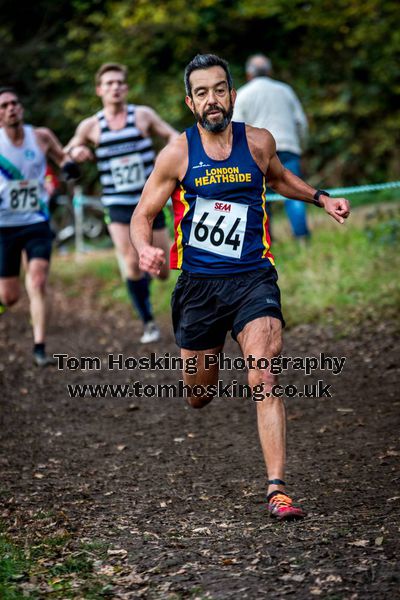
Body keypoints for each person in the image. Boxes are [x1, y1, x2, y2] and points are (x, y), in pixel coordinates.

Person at [130, 54, 350, 520]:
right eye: (202, 92)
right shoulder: (177, 152)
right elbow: (142, 215)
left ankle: (277, 489)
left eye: (220, 89)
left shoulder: (258, 142)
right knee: (200, 394)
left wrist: (321, 198)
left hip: (254, 279)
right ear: (191, 102)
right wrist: (144, 249)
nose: (213, 99)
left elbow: (280, 178)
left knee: (263, 374)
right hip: (199, 289)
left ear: (233, 93)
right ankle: (199, 377)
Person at [65, 63, 179, 344]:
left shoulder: (142, 116)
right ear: (99, 90)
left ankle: (146, 278)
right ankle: (148, 322)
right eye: (109, 83)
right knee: (131, 263)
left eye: (119, 82)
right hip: (117, 206)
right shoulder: (92, 126)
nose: (115, 87)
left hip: (149, 199)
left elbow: (173, 135)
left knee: (163, 271)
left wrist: (167, 155)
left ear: (126, 88)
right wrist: (77, 151)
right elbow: (67, 150)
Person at [0, 87, 69, 366]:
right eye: (4, 106)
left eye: (15, 103)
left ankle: (39, 347)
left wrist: (70, 167)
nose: (11, 108)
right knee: (10, 296)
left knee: (38, 280)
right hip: (4, 227)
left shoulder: (40, 136)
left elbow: (63, 160)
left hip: (37, 221)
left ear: (22, 108)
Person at [233, 54, 310, 240]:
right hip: (288, 148)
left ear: (248, 74)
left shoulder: (243, 94)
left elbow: (236, 128)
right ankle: (302, 237)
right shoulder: (285, 91)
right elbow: (301, 122)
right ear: (269, 71)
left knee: (259, 197)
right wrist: (301, 146)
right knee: (295, 193)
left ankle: (266, 240)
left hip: (256, 152)